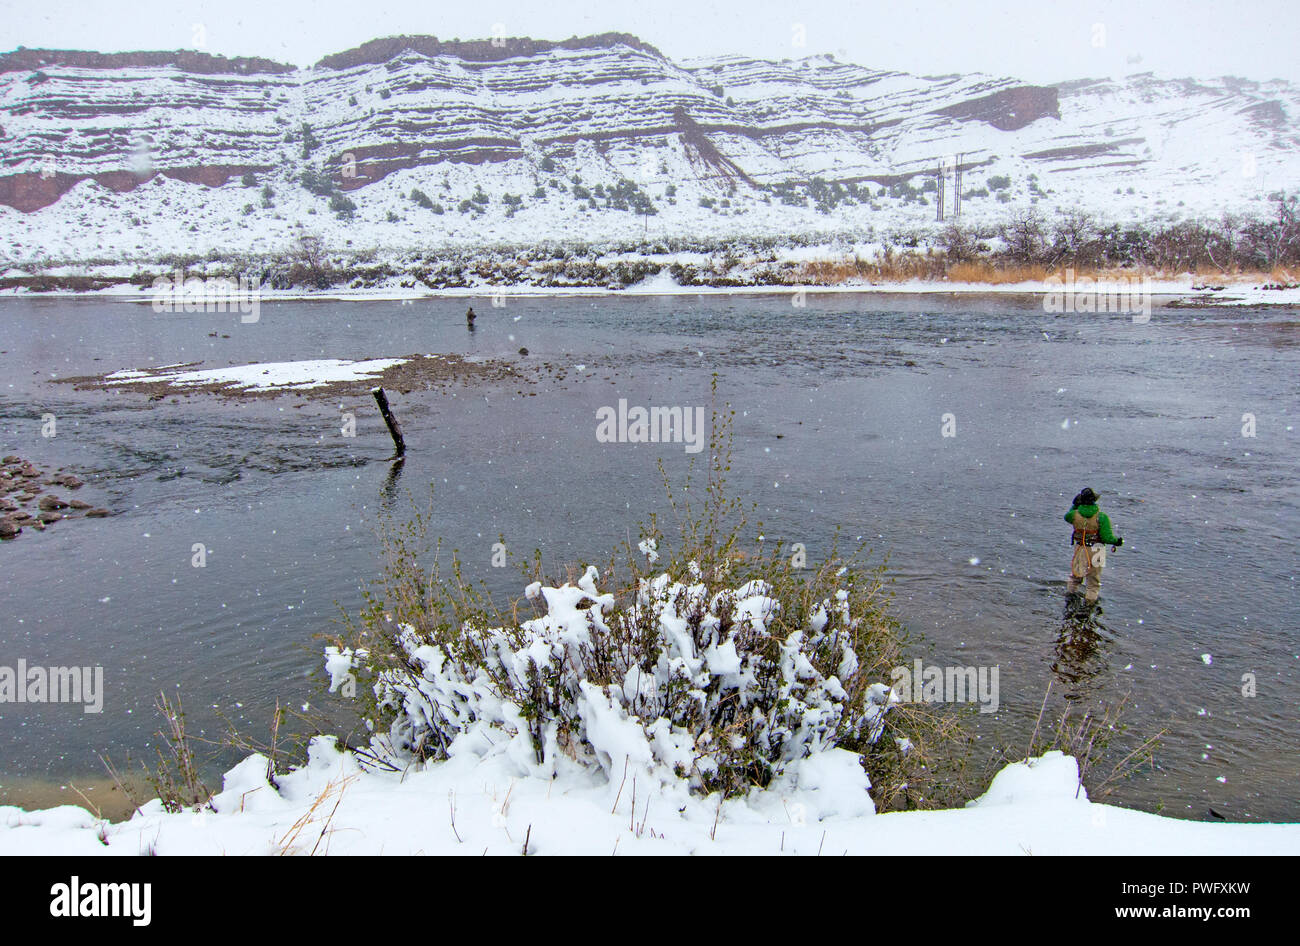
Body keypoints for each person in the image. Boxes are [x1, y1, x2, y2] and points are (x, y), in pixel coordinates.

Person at [1064, 487, 1122, 602]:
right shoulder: (1102, 517)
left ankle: (1070, 599)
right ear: (1094, 501)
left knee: (1075, 577)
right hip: (1097, 550)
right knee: (1093, 583)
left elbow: (1067, 516)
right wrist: (1117, 541)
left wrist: (1074, 505)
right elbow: (1107, 537)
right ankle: (1089, 606)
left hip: (1080, 548)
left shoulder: (1074, 515)